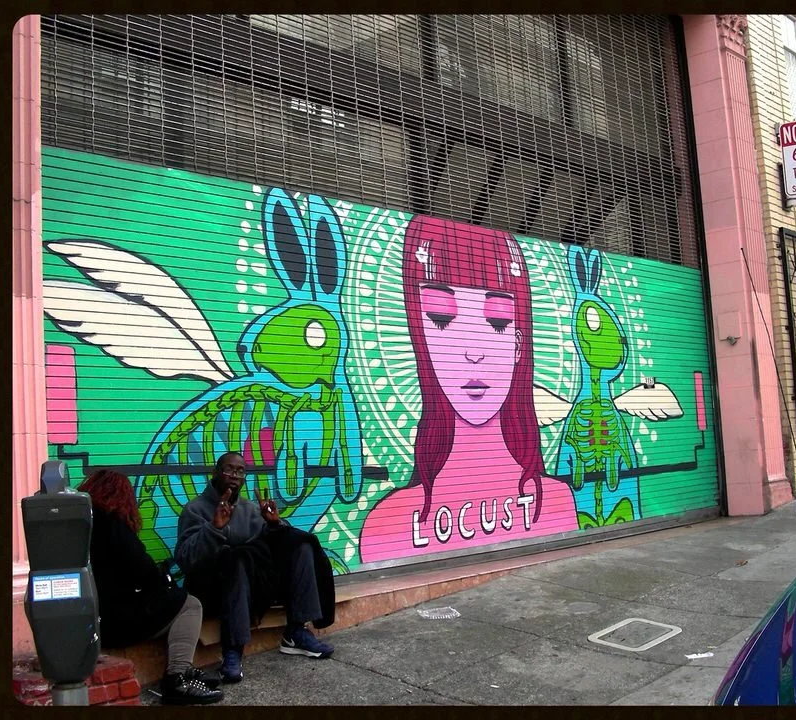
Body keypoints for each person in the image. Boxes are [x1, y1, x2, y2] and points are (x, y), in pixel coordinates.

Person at [359, 217, 578, 562]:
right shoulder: (386, 523)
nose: (473, 350)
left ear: (519, 343)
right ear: (420, 337)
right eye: (442, 319)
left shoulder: (558, 502)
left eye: (498, 321)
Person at [174, 451, 336, 684]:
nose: (234, 476)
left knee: (299, 543)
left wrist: (275, 525)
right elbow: (186, 559)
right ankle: (233, 650)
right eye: (229, 469)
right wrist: (213, 528)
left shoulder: (249, 509)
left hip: (250, 589)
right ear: (216, 472)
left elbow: (268, 551)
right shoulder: (195, 510)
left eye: (240, 471)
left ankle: (296, 631)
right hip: (213, 589)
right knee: (236, 558)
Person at [77, 469, 223, 705]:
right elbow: (143, 572)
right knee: (188, 603)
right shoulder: (114, 527)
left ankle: (185, 670)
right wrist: (162, 579)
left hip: (93, 620)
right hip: (116, 622)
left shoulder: (83, 525)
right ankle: (178, 677)